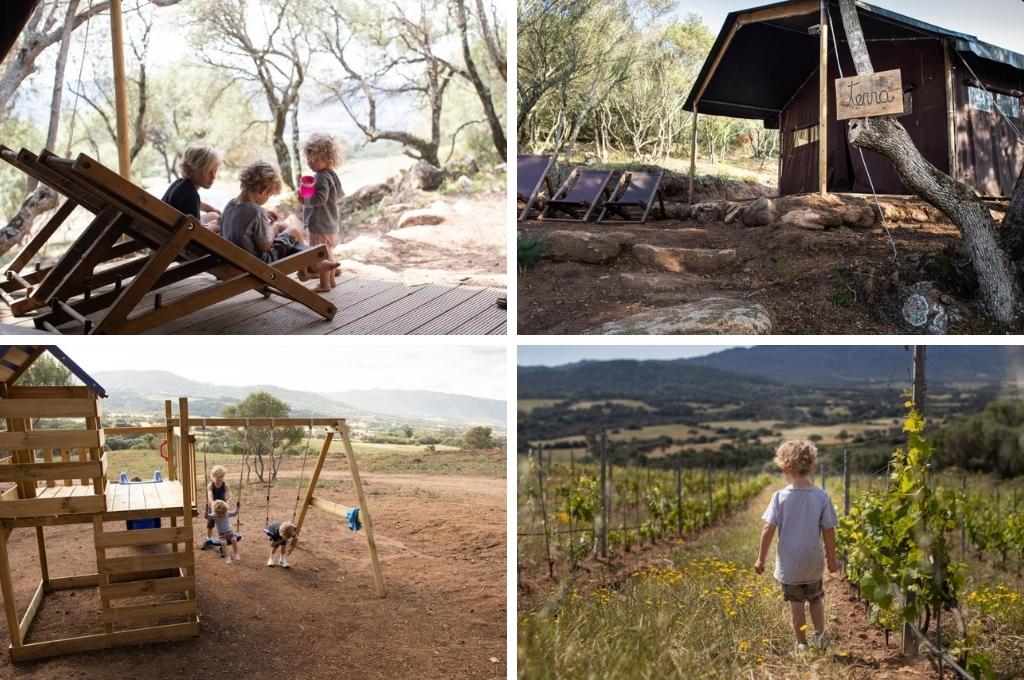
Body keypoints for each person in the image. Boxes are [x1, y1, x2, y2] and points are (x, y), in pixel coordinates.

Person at [753, 439, 839, 653]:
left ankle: (801, 644)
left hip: (790, 563)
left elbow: (768, 529)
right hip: (813, 561)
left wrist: (761, 558)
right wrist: (833, 560)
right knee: (816, 599)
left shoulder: (779, 497)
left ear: (783, 467)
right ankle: (820, 637)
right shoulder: (821, 496)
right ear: (812, 466)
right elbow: (829, 530)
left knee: (796, 603)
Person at [219, 160, 336, 289]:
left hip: (237, 260)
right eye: (270, 195)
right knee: (294, 230)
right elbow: (264, 245)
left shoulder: (230, 205)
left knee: (282, 226)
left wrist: (267, 221)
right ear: (266, 190)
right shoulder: (257, 212)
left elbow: (234, 226)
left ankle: (308, 267)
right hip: (260, 262)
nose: (268, 198)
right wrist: (273, 229)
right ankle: (308, 268)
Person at [298, 133, 344, 292]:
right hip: (330, 222)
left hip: (320, 224)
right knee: (327, 252)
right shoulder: (331, 174)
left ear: (328, 158)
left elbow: (321, 199)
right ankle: (330, 281)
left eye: (315, 159)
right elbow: (337, 194)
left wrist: (305, 199)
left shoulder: (322, 177)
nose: (311, 163)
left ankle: (324, 284)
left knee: (320, 255)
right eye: (309, 159)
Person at [161, 144, 222, 231]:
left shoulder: (180, 184)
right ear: (190, 171)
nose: (213, 176)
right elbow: (195, 235)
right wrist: (216, 227)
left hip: (172, 228)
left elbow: (195, 204)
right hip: (180, 236)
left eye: (215, 171)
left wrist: (211, 209)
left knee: (214, 215)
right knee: (219, 224)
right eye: (208, 171)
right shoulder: (191, 196)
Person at [201, 465, 231, 550]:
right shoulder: (211, 485)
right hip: (213, 507)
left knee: (223, 525)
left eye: (222, 476)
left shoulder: (225, 485)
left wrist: (226, 505)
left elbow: (228, 495)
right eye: (218, 477)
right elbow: (210, 496)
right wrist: (213, 505)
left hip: (222, 508)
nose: (220, 479)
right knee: (210, 525)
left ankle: (223, 545)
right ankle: (208, 540)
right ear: (213, 476)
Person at [205, 500, 241, 564]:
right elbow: (207, 517)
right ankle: (227, 557)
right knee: (223, 543)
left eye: (223, 513)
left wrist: (237, 507)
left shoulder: (227, 513)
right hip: (221, 535)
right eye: (219, 513)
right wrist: (206, 511)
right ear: (216, 512)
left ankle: (236, 554)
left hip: (230, 533)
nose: (221, 515)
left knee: (234, 539)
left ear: (225, 511)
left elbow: (234, 513)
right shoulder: (214, 515)